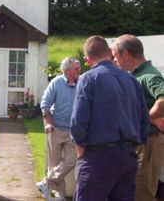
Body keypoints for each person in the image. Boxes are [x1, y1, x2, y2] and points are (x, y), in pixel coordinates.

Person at [71, 35, 149, 201]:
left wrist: (81, 152)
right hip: (128, 156)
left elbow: (78, 122)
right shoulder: (131, 80)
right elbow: (144, 119)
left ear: (87, 59)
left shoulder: (88, 79)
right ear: (109, 53)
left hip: (98, 156)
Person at [111, 34, 164, 200]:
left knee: (141, 193)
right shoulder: (136, 75)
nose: (114, 60)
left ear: (125, 53)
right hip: (140, 142)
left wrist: (145, 118)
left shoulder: (148, 75)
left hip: (148, 142)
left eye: (115, 56)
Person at [36, 57, 81, 201]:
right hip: (55, 129)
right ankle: (60, 195)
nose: (79, 71)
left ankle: (45, 183)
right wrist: (49, 123)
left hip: (73, 131)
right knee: (54, 163)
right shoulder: (56, 83)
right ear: (67, 71)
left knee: (70, 161)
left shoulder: (82, 83)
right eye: (76, 69)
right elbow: (45, 104)